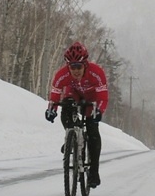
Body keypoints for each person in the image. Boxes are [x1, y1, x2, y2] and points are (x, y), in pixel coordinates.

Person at [44, 41, 109, 188]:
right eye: (72, 67)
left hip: (92, 98)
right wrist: (51, 110)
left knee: (92, 130)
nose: (76, 71)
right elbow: (55, 96)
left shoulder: (96, 72)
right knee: (66, 107)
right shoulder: (62, 75)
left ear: (85, 64)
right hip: (74, 94)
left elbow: (103, 96)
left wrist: (99, 111)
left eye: (79, 67)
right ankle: (71, 138)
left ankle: (93, 172)